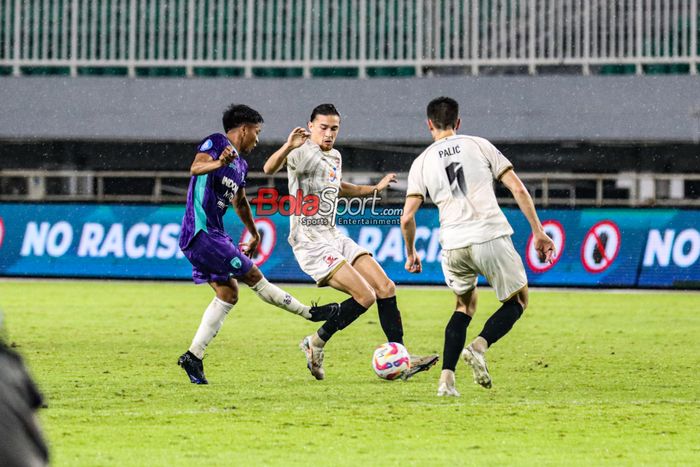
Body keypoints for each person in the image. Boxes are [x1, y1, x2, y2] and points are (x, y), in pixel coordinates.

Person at [263, 103, 438, 380]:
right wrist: (287, 146)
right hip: (309, 239)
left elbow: (339, 186)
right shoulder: (300, 151)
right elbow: (269, 168)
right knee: (365, 296)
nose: (329, 133)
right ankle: (316, 341)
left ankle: (401, 356)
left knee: (385, 287)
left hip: (333, 234)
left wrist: (374, 189)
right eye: (323, 128)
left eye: (334, 128)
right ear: (311, 127)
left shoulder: (334, 156)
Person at [400, 96, 555, 396]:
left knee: (463, 306)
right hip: (489, 234)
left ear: (429, 124)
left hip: (453, 244)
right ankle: (479, 347)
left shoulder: (421, 162)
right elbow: (518, 187)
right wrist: (538, 231)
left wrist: (411, 252)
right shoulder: (479, 145)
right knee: (518, 301)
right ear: (458, 123)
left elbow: (406, 217)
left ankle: (446, 380)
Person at [177, 104, 337, 384]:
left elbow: (239, 201)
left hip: (216, 234)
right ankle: (309, 313)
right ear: (244, 129)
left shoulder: (240, 164)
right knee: (253, 275)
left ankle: (193, 356)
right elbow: (195, 167)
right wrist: (218, 162)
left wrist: (254, 233)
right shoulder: (217, 142)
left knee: (228, 293)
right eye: (257, 132)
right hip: (201, 233)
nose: (258, 139)